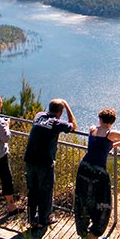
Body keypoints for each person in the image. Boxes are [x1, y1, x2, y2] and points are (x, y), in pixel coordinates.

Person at [73, 107, 120, 239]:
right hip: (99, 171)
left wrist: (109, 145)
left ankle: (83, 233)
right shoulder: (111, 134)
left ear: (100, 119)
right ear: (112, 122)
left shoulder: (92, 129)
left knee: (83, 199)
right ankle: (94, 234)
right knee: (103, 202)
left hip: (84, 167)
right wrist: (113, 144)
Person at [23, 98, 77, 229]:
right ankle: (44, 219)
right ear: (60, 112)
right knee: (46, 191)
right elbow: (73, 126)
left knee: (33, 190)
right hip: (44, 162)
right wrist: (67, 107)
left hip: (30, 159)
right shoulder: (57, 124)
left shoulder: (39, 116)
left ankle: (32, 219)